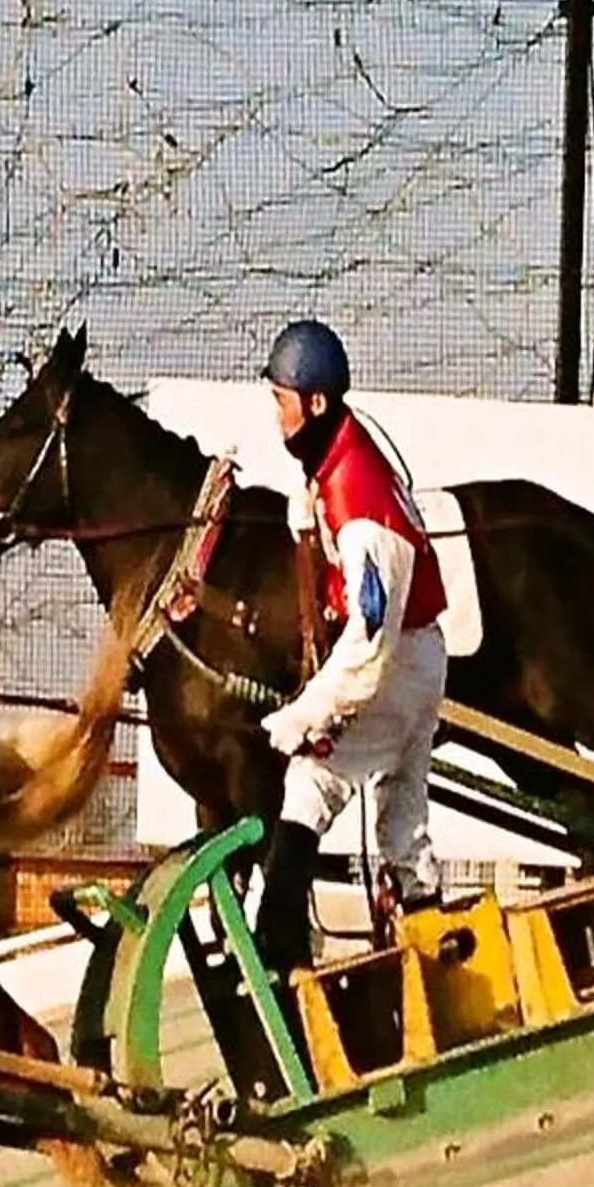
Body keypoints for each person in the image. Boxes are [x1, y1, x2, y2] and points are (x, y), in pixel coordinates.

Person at [252, 318, 450, 982]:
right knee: (401, 825)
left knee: (313, 778)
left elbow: (367, 647)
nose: (277, 418)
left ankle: (280, 945)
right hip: (417, 655)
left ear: (315, 402)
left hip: (396, 662)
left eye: (282, 402)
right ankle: (431, 952)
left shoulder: (358, 497)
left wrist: (304, 715)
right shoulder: (338, 455)